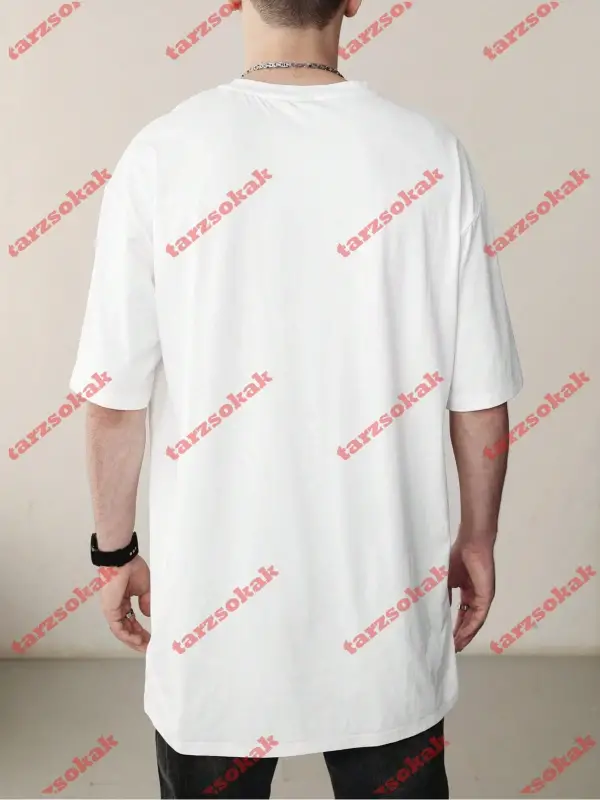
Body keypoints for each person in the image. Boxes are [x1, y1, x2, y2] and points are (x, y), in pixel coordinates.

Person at [70, 0, 523, 796]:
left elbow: (113, 403)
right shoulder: (432, 156)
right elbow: (479, 399)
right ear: (352, 0)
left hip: (216, 635)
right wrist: (478, 540)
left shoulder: (162, 155)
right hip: (385, 630)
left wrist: (114, 552)